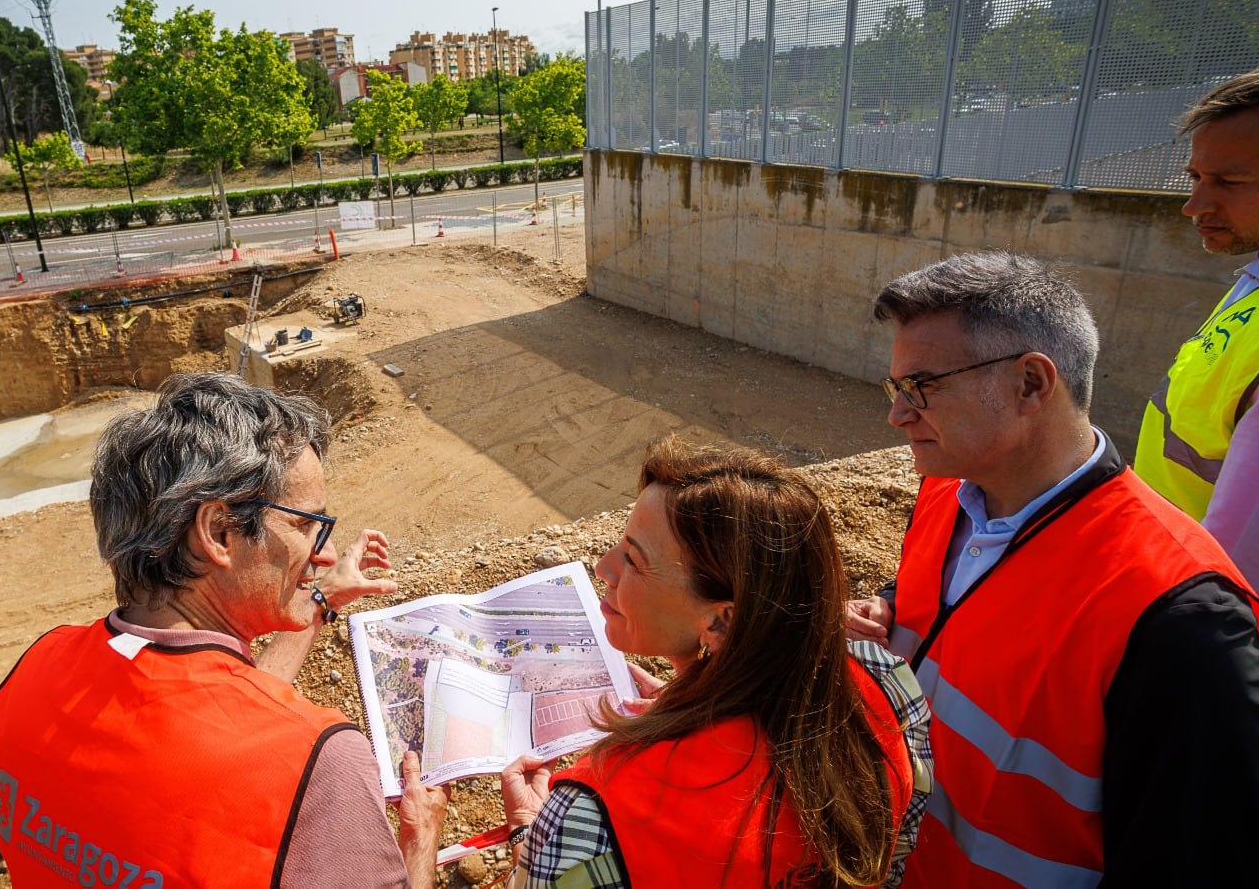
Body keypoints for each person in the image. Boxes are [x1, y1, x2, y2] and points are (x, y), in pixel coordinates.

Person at [847, 251, 1259, 887]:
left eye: (921, 389)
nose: (898, 415)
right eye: (897, 389)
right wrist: (889, 606)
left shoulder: (1180, 619)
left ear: (1032, 385)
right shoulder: (947, 490)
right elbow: (953, 612)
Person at [0, 373, 449, 889]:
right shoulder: (323, 763)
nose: (327, 553)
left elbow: (219, 716)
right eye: (305, 525)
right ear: (218, 532)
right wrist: (419, 843)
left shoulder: (36, 671)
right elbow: (247, 738)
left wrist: (318, 599)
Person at [500, 438, 932, 889]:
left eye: (634, 559)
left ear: (722, 621)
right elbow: (892, 865)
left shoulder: (588, 816)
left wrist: (526, 834)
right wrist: (694, 691)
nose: (604, 567)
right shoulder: (885, 681)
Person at [1138, 67, 1259, 582]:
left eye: (1229, 182)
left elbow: (1238, 569)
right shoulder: (1250, 282)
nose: (1193, 206)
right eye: (1195, 177)